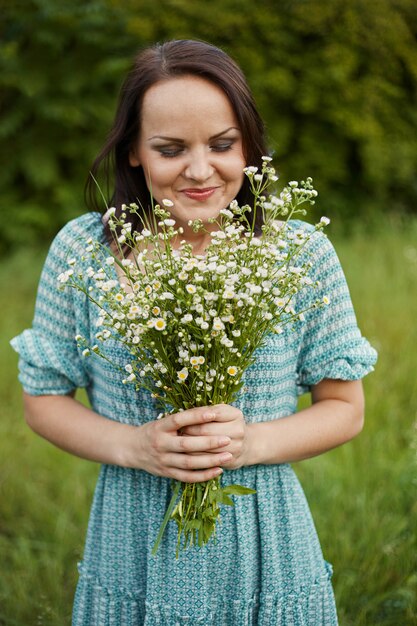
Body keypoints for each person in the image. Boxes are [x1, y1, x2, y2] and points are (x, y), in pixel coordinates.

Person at [11, 40, 377, 625]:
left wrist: (248, 443)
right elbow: (43, 400)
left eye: (223, 145)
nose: (200, 170)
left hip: (266, 548)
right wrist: (135, 446)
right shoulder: (84, 252)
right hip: (132, 542)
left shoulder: (300, 254)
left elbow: (345, 407)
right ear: (134, 152)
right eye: (170, 149)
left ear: (249, 145)